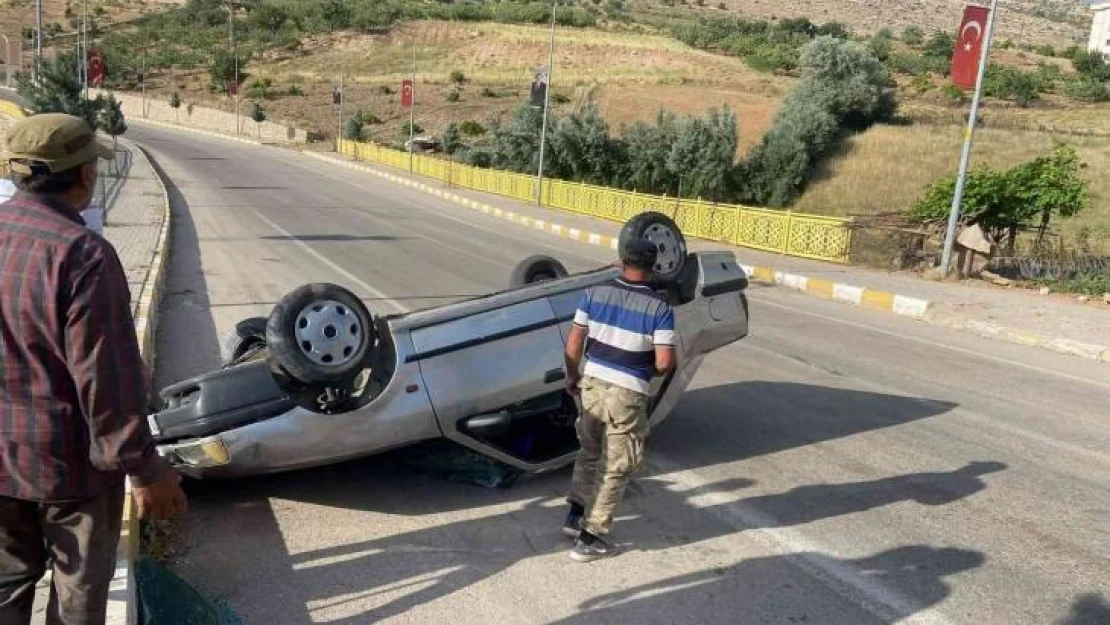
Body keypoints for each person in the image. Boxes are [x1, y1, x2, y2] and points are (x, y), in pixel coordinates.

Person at [0, 113, 187, 624]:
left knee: (5, 585)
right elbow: (106, 380)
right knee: (78, 595)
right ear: (83, 175)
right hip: (69, 469)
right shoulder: (84, 255)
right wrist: (145, 469)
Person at [561, 239, 676, 562]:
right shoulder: (659, 308)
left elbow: (573, 344)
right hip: (628, 391)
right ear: (653, 266)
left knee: (589, 451)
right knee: (617, 465)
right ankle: (590, 537)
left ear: (621, 260)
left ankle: (574, 515)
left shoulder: (594, 294)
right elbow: (665, 362)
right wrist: (642, 370)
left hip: (593, 383)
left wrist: (573, 376)